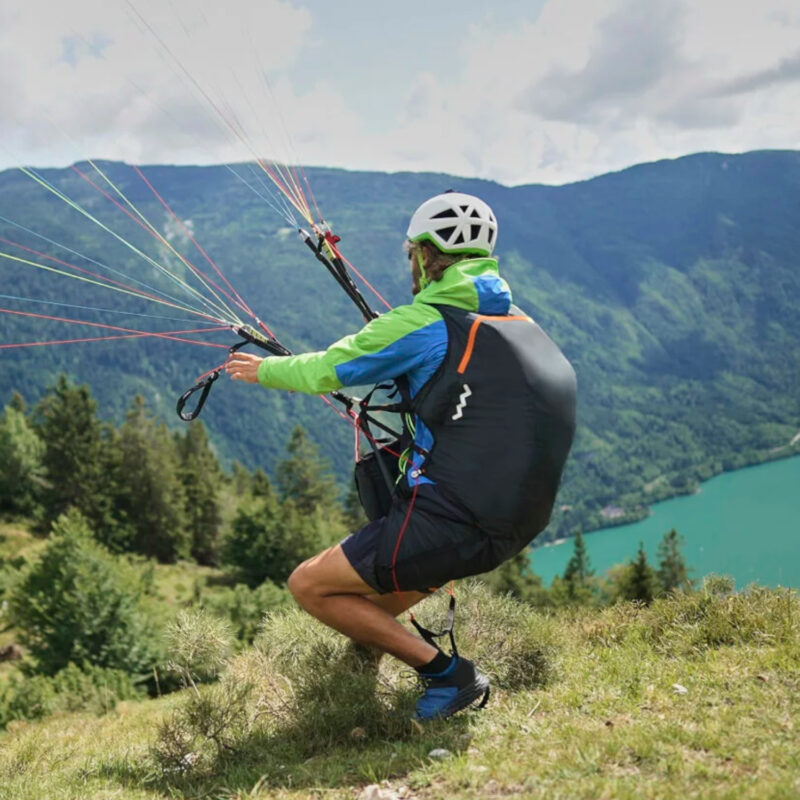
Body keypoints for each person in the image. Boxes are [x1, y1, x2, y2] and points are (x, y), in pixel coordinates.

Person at [226, 191, 577, 720]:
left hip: (452, 519)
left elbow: (328, 369)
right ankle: (350, 690)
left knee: (311, 585)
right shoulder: (519, 322)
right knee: (365, 611)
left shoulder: (424, 321)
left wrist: (262, 371)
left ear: (424, 253)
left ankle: (450, 675)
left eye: (411, 251)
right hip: (518, 521)